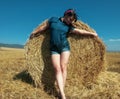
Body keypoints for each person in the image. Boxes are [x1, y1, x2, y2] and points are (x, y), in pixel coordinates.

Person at [30, 9, 98, 99]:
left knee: (63, 67)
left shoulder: (69, 27)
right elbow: (44, 27)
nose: (71, 21)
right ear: (66, 15)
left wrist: (92, 33)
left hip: (65, 48)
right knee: (57, 69)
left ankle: (62, 93)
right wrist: (35, 32)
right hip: (54, 49)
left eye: (73, 20)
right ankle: (61, 91)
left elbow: (79, 31)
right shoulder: (53, 20)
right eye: (71, 19)